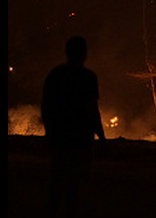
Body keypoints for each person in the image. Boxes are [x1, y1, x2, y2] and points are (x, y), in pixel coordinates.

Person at [41, 35, 106, 218]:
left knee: (56, 181)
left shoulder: (55, 75)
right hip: (80, 139)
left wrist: (49, 133)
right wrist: (101, 137)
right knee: (74, 184)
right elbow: (92, 110)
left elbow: (46, 107)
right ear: (84, 53)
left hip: (60, 137)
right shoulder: (88, 77)